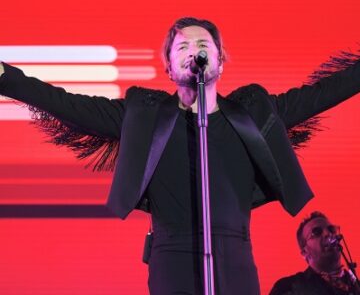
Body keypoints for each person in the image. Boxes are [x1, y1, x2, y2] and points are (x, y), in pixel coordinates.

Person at [1, 17, 360, 294]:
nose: (194, 50)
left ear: (220, 59)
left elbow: (322, 93)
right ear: (170, 67)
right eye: (183, 46)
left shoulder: (253, 113)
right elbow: (66, 104)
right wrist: (6, 77)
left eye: (203, 43)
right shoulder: (143, 116)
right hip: (172, 257)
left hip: (235, 259)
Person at [269, 211, 360, 295]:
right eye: (316, 232)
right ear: (305, 252)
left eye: (331, 229)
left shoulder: (356, 285)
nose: (327, 234)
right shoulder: (289, 287)